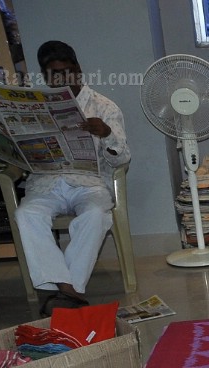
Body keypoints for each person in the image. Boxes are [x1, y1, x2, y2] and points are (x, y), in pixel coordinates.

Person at [15, 40, 129, 314]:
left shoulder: (104, 106)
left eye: (67, 72)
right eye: (54, 75)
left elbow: (122, 159)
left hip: (89, 183)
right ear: (45, 75)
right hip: (46, 182)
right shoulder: (34, 103)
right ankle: (70, 291)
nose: (62, 79)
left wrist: (106, 134)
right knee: (26, 214)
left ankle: (65, 291)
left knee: (95, 215)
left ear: (78, 69)